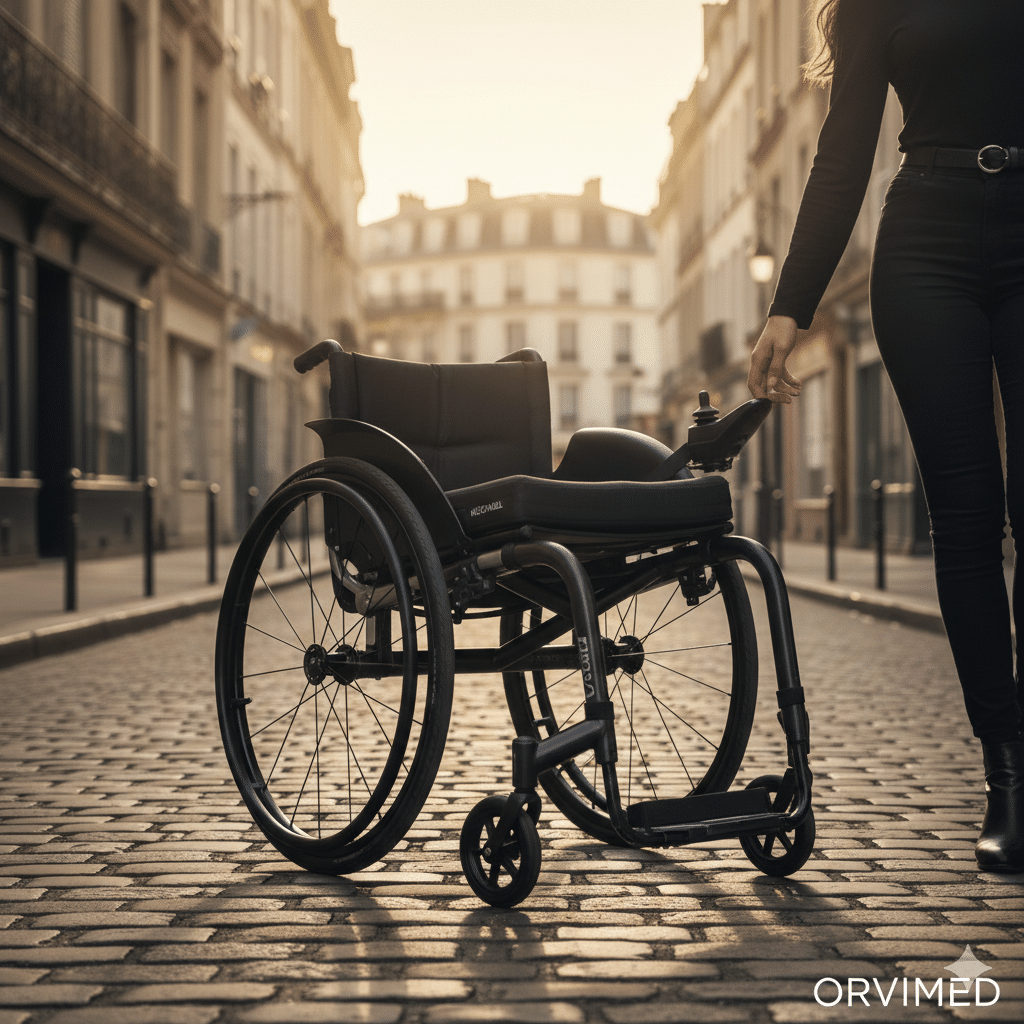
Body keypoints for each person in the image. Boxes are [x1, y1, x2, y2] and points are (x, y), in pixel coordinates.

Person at [747, 0, 1023, 872]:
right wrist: (791, 306)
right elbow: (843, 151)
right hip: (925, 244)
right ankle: (1007, 777)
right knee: (968, 519)